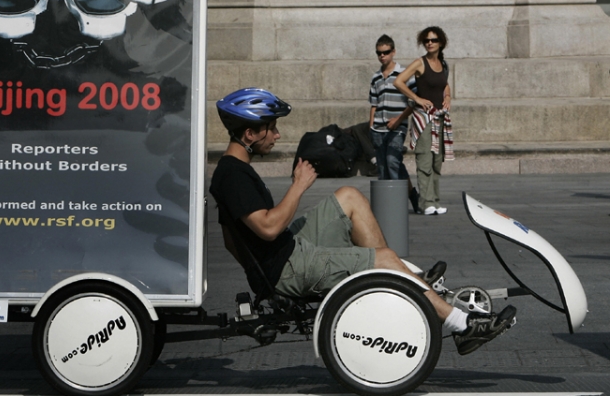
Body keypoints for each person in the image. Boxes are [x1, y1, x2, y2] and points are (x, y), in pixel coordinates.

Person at [209, 87, 516, 356]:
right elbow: (268, 226)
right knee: (383, 257)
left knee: (349, 196)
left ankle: (403, 276)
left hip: (287, 253)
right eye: (271, 128)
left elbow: (229, 239)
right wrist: (298, 186)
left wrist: (257, 272)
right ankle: (461, 326)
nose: (277, 135)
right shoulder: (234, 176)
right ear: (250, 134)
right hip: (288, 265)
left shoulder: (233, 169)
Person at [394, 26, 453, 216]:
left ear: (441, 43)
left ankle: (434, 201)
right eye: (427, 40)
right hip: (423, 119)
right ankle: (425, 202)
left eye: (433, 40)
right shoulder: (420, 63)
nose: (430, 43)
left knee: (437, 161)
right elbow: (399, 81)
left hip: (440, 118)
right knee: (425, 160)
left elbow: (444, 85)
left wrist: (448, 96)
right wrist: (417, 99)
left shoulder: (443, 64)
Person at [368, 34, 421, 213]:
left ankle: (406, 198)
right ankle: (388, 204)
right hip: (378, 127)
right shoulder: (376, 77)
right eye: (379, 53)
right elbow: (374, 104)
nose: (382, 56)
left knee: (392, 161)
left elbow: (414, 101)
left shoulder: (404, 74)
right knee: (383, 167)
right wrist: (371, 125)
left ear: (393, 52)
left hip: (398, 126)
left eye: (386, 52)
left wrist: (399, 120)